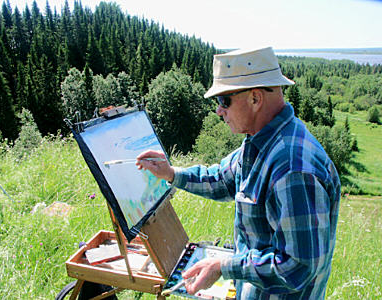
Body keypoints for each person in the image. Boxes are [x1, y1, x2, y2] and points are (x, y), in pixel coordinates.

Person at [136, 47, 341, 299]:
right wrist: (171, 173)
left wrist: (224, 266)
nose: (219, 111)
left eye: (224, 101)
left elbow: (298, 266)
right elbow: (222, 179)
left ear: (255, 98)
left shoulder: (292, 169)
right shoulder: (260, 141)